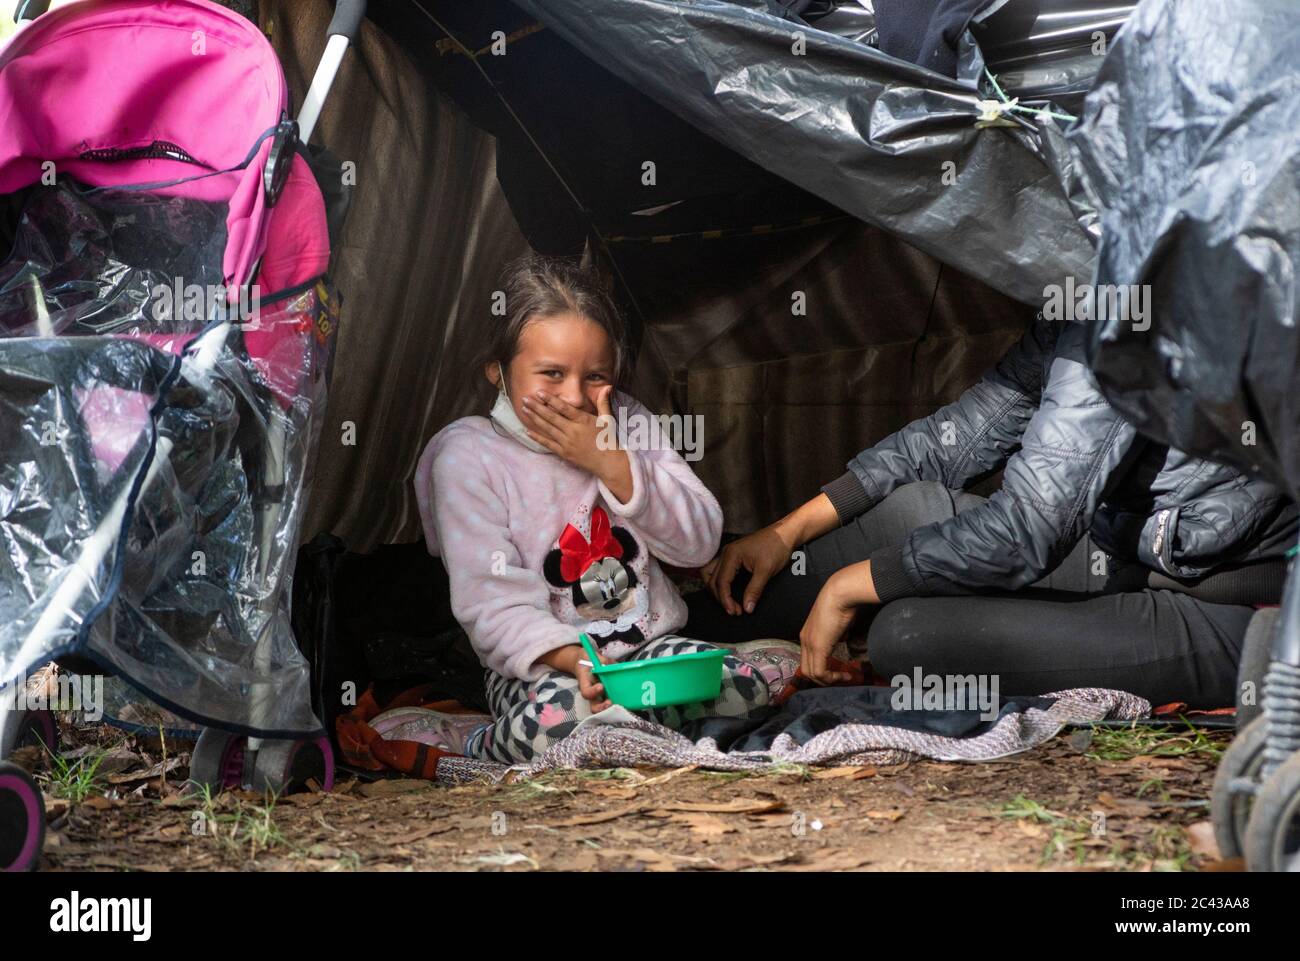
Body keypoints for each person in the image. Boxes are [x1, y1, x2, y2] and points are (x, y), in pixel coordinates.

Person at [685, 316, 1297, 710]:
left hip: (1233, 607)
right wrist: (785, 530)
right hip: (1120, 549)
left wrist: (850, 588)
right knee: (914, 508)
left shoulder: (1145, 294)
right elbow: (956, 436)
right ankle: (656, 640)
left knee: (907, 636)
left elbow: (1029, 528)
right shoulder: (1084, 299)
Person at [414, 254, 768, 764]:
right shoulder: (468, 456)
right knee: (569, 718)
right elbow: (490, 605)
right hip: (546, 671)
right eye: (551, 374)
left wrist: (612, 463)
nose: (576, 397)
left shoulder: (628, 421)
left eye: (595, 375)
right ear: (498, 371)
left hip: (645, 659)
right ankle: (476, 743)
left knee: (741, 683)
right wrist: (577, 660)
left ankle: (628, 733)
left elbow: (700, 541)